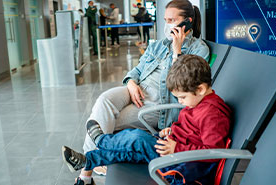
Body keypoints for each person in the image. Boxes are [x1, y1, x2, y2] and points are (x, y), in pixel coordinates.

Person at [75, 0, 210, 184]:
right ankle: (91, 164)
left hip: (157, 104)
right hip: (137, 91)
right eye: (165, 19)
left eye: (172, 20)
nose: (167, 24)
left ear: (187, 22)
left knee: (107, 121)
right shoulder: (158, 45)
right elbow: (137, 71)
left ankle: (85, 173)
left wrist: (177, 51)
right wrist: (131, 82)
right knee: (105, 100)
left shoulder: (199, 49)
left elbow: (182, 85)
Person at [62, 55, 231, 185]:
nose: (180, 102)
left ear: (200, 89)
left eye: (182, 97)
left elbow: (213, 152)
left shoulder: (212, 114)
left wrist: (176, 147)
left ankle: (102, 140)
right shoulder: (198, 103)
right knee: (130, 152)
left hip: (180, 165)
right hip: (172, 151)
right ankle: (89, 161)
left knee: (138, 139)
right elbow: (191, 130)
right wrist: (171, 131)